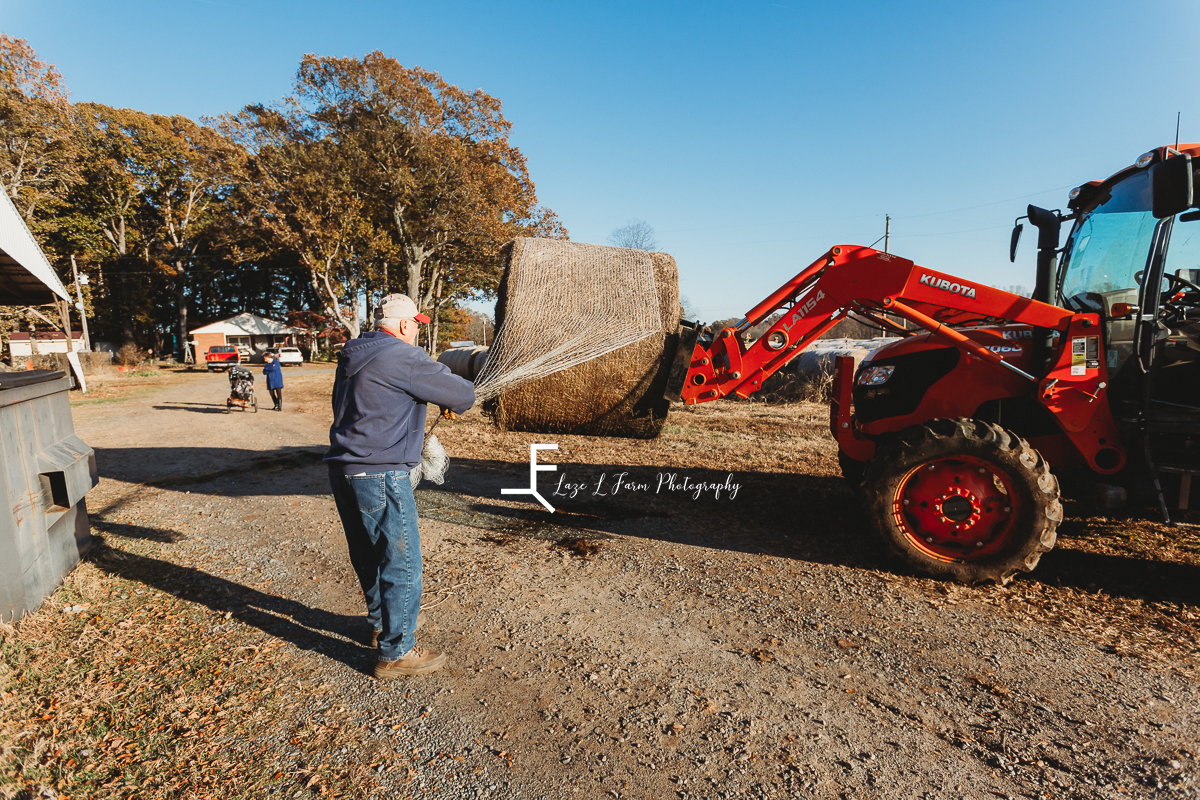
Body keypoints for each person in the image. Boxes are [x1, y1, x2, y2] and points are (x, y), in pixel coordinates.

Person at [324, 293, 475, 678]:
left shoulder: (354, 353)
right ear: (405, 325)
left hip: (344, 468)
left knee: (368, 555)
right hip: (381, 472)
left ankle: (382, 626)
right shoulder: (403, 356)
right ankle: (396, 652)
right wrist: (441, 390)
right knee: (401, 561)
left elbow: (380, 398)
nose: (418, 332)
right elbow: (464, 394)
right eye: (417, 325)